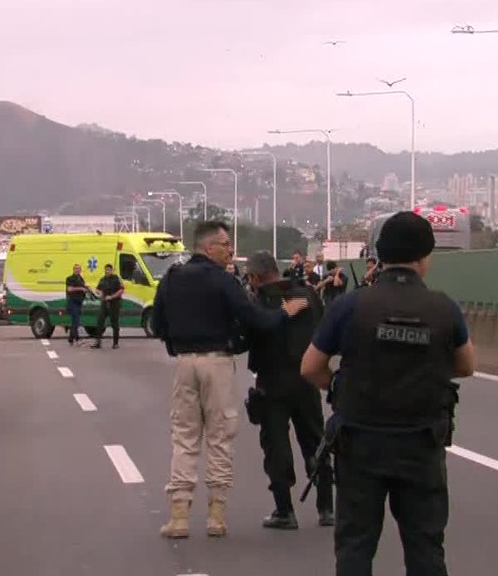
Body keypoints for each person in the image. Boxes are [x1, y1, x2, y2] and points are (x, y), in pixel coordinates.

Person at [298, 211, 477, 576]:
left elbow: (310, 367)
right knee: (425, 541)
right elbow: (465, 365)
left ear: (378, 255)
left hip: (361, 442)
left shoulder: (350, 306)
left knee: (356, 541)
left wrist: (341, 386)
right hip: (422, 444)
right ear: (425, 257)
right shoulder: (444, 308)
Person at [152, 220, 309, 539]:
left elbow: (158, 324)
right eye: (225, 244)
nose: (231, 250)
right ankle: (216, 516)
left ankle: (179, 516)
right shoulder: (224, 281)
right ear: (209, 248)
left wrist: (176, 342)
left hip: (184, 363)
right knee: (219, 437)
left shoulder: (171, 278)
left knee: (184, 438)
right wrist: (285, 312)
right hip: (218, 362)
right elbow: (256, 320)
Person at [243, 250, 333, 530]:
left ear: (255, 276)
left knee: (276, 446)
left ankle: (285, 511)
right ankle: (327, 508)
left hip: (271, 381)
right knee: (316, 442)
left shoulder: (258, 302)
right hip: (306, 378)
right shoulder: (307, 294)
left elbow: (248, 335)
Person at [91, 263, 125, 349]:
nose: (107, 271)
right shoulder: (103, 279)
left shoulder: (116, 279)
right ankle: (98, 342)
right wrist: (99, 292)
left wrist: (112, 296)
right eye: (106, 270)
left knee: (114, 323)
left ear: (112, 270)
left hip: (114, 303)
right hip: (104, 303)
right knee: (100, 322)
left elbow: (121, 290)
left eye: (109, 270)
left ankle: (115, 343)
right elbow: (97, 289)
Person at [64, 263, 90, 345]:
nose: (77, 270)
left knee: (75, 321)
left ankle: (71, 339)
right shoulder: (70, 278)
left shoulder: (81, 279)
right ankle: (77, 339)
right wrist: (81, 288)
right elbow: (69, 289)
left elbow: (83, 288)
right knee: (76, 321)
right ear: (73, 269)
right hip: (72, 302)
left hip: (79, 302)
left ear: (80, 270)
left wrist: (86, 288)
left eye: (78, 268)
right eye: (76, 268)